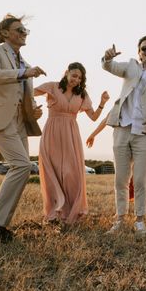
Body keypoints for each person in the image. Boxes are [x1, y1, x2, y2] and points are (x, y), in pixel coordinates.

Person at [0, 14, 45, 242]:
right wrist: (24, 73)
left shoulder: (25, 62)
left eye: (25, 31)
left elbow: (26, 95)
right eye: (20, 29)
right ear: (5, 33)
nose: (24, 33)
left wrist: (34, 110)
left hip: (20, 121)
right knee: (22, 165)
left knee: (23, 170)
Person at [102, 36, 146, 237]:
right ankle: (120, 220)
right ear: (139, 53)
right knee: (120, 179)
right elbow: (110, 66)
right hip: (122, 128)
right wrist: (107, 58)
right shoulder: (131, 67)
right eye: (144, 48)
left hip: (145, 133)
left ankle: (140, 221)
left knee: (141, 179)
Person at [34, 62, 109, 225]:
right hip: (52, 132)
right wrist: (32, 108)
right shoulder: (52, 87)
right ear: (66, 73)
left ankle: (71, 212)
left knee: (71, 173)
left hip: (71, 134)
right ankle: (54, 214)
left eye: (80, 78)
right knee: (51, 171)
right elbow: (28, 93)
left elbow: (94, 117)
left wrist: (102, 103)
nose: (76, 79)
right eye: (74, 75)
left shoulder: (82, 94)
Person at [86, 115, 134, 201]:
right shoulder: (119, 103)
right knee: (121, 175)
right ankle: (124, 203)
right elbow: (106, 119)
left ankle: (134, 199)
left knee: (136, 173)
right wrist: (93, 135)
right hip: (121, 142)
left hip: (137, 141)